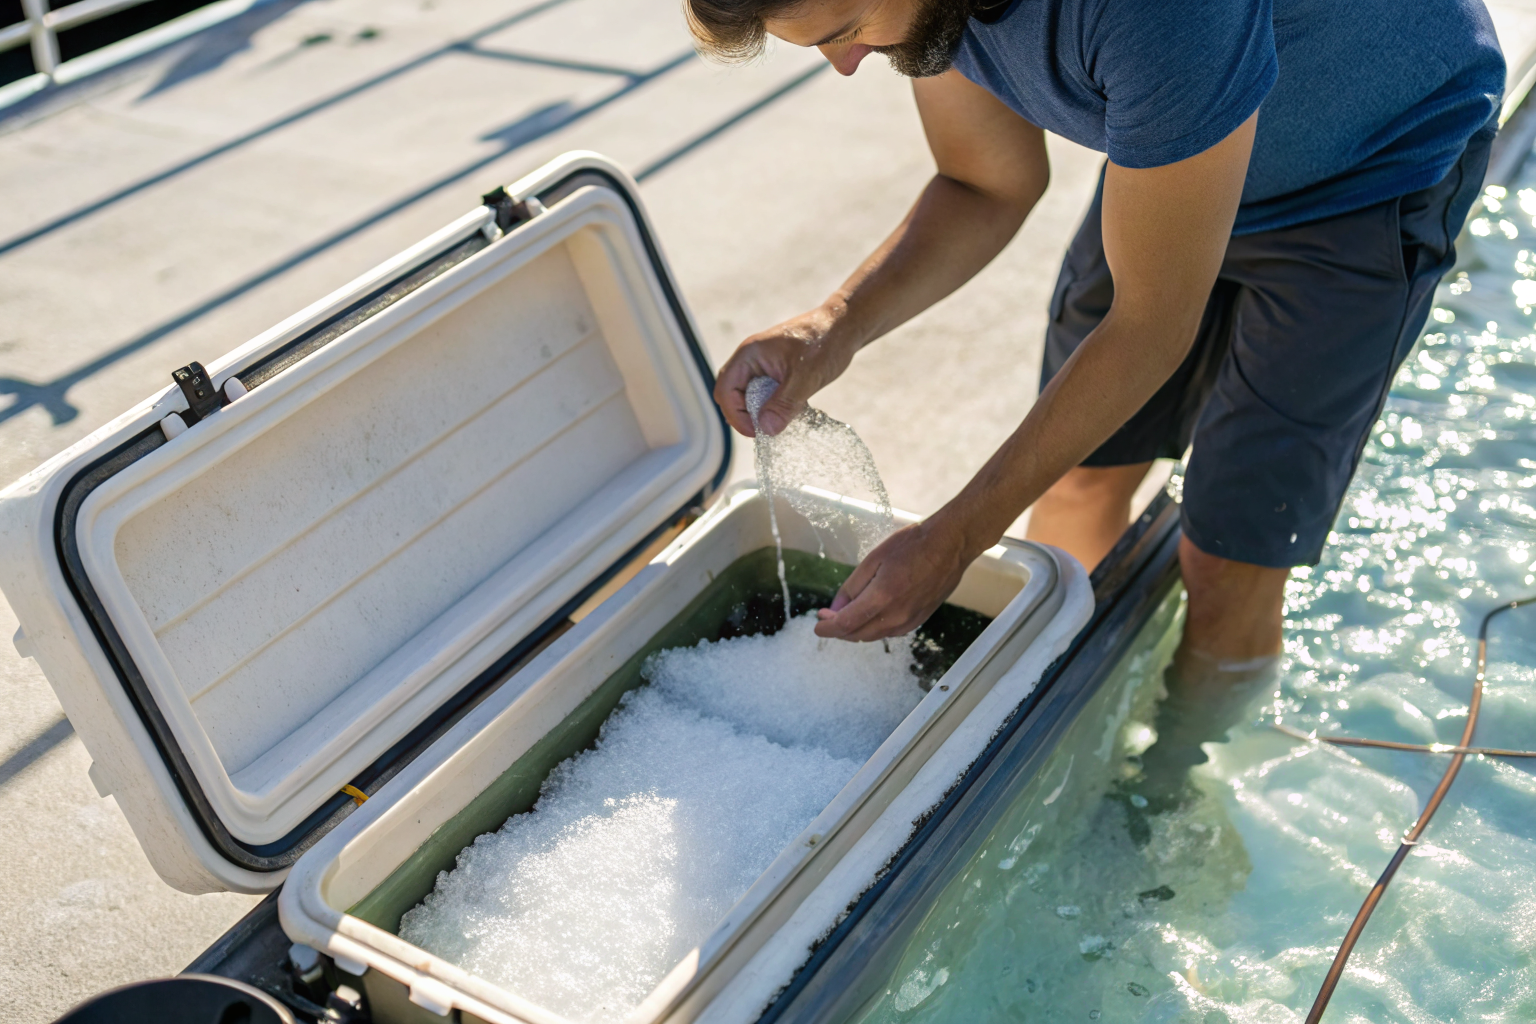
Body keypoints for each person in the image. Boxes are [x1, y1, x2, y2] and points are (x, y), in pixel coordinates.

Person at [693, 0, 1504, 713]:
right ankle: (1047, 719)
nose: (845, 64)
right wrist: (830, 327)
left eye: (846, 30)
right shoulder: (926, 15)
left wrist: (956, 537)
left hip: (1366, 169)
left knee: (1227, 557)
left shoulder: (1158, 12)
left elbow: (1150, 324)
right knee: (1077, 478)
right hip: (1180, 158)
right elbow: (986, 183)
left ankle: (1179, 787)